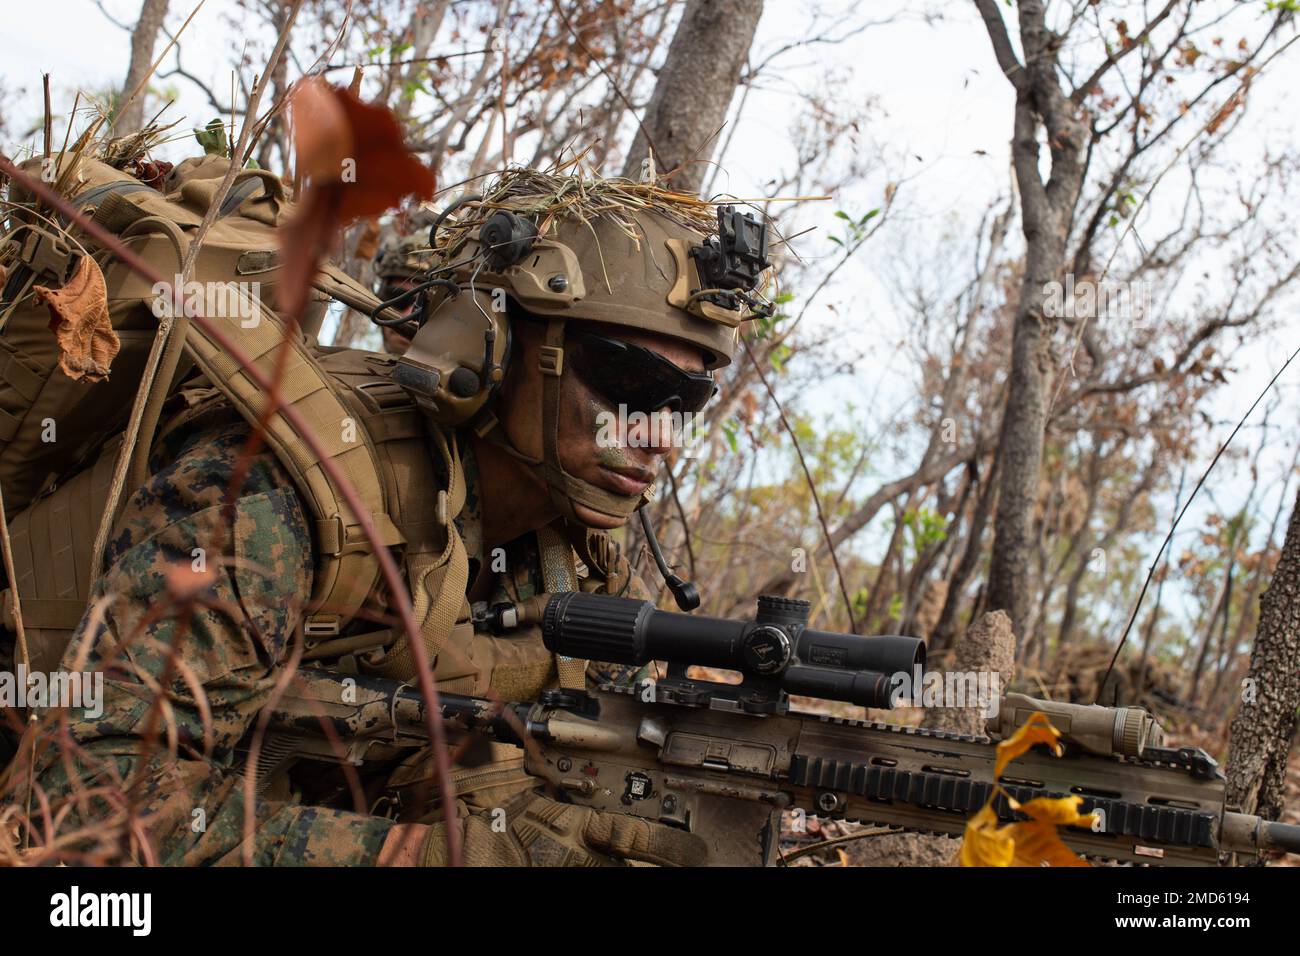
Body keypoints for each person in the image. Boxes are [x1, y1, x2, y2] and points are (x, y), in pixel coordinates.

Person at [11, 168, 770, 866]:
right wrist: (439, 859)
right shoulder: (275, 495)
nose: (660, 433)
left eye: (686, 400)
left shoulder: (570, 542)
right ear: (491, 345)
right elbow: (80, 808)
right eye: (630, 380)